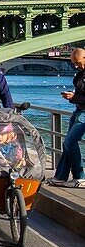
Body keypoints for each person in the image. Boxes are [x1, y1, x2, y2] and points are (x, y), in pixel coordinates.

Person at [51, 47, 85, 186]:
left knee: (70, 142)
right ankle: (61, 176)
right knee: (67, 143)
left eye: (78, 62)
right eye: (74, 64)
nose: (76, 66)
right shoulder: (81, 74)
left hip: (83, 112)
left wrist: (74, 97)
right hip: (79, 110)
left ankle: (80, 176)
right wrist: (73, 95)